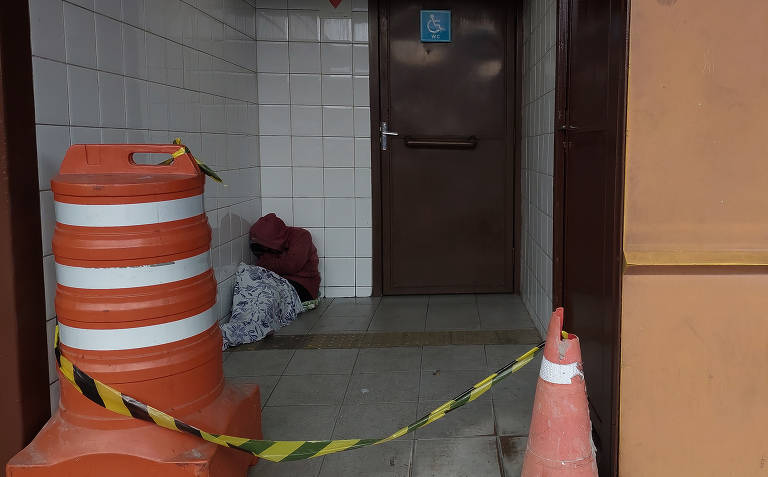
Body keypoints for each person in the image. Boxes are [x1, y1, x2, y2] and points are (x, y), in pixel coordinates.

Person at [248, 213, 320, 301]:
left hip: (303, 284)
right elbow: (261, 265)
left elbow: (291, 266)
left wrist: (269, 262)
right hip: (279, 280)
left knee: (268, 295)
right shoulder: (265, 246)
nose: (265, 248)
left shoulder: (301, 236)